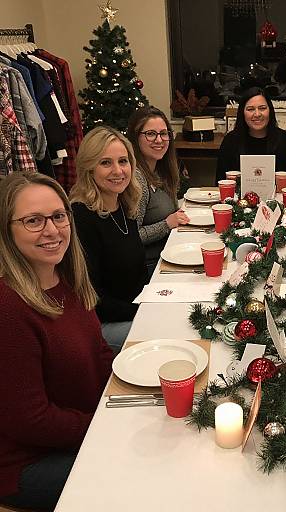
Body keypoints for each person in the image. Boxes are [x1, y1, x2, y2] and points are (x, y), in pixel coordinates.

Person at [0, 172, 113, 511]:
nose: (51, 230)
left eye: (58, 216)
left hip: (79, 427)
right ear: (6, 230)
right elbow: (31, 421)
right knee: (143, 474)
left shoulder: (66, 279)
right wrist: (106, 426)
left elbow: (99, 351)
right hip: (27, 463)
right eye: (33, 220)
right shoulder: (8, 308)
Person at [70, 126, 147, 354]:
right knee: (170, 332)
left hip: (132, 309)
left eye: (123, 161)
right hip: (102, 324)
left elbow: (138, 271)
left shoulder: (124, 204)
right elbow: (93, 298)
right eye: (105, 163)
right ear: (89, 168)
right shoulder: (81, 216)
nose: (118, 170)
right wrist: (142, 312)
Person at [127, 106, 190, 275]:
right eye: (150, 134)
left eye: (164, 133)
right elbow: (131, 238)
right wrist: (166, 224)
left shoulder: (160, 170)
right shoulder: (137, 179)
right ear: (135, 138)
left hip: (170, 253)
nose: (159, 140)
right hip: (150, 267)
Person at [216, 86, 286, 186]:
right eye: (250, 109)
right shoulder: (230, 142)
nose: (257, 114)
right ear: (242, 113)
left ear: (270, 111)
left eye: (262, 108)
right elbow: (220, 184)